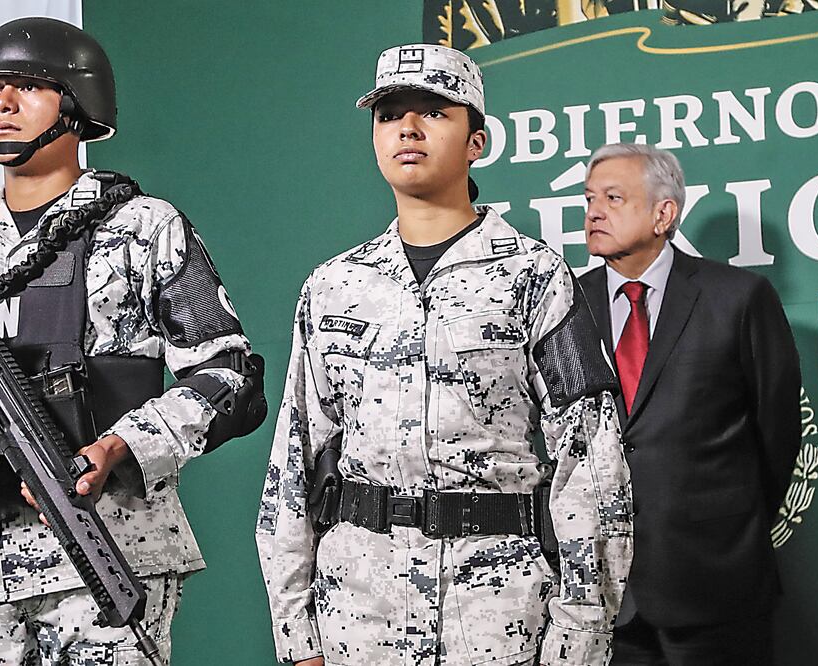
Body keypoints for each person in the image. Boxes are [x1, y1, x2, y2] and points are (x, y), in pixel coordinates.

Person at [0, 17, 265, 665]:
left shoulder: (140, 227)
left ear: (77, 102)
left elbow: (229, 379)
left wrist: (122, 446)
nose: (2, 104)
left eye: (27, 86)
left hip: (106, 557)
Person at [256, 44, 632, 666]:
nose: (406, 128)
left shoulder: (534, 275)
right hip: (356, 616)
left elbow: (591, 469)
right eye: (389, 114)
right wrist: (297, 639)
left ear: (476, 141)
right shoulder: (333, 285)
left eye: (433, 112)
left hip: (495, 616)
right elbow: (290, 469)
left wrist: (579, 641)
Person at [579, 143, 801, 666]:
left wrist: (724, 527)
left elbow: (777, 436)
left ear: (664, 213)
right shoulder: (566, 304)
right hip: (600, 596)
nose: (594, 211)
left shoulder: (738, 298)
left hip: (715, 587)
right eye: (589, 198)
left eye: (614, 197)